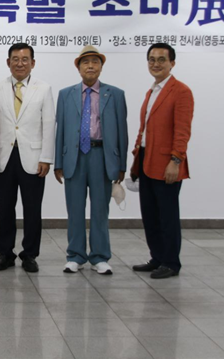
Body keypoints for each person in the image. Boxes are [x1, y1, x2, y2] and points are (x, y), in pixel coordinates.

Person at [54, 45, 128, 275]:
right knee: (75, 210)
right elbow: (60, 130)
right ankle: (75, 256)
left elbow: (122, 131)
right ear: (78, 68)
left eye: (95, 62)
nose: (90, 66)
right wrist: (58, 163)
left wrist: (122, 165)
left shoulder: (115, 94)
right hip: (74, 158)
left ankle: (99, 257)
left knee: (100, 210)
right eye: (85, 62)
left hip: (101, 156)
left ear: (101, 67)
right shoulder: (66, 94)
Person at [0, 43, 55, 273]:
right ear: (8, 62)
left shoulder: (43, 88)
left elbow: (49, 125)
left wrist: (46, 158)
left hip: (33, 157)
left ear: (33, 63)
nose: (20, 63)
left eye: (25, 59)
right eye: (15, 59)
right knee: (5, 207)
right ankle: (5, 254)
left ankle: (30, 254)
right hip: (4, 155)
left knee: (32, 208)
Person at [130, 43, 194, 279]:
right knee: (150, 215)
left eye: (161, 59)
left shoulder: (181, 91)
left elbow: (182, 131)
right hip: (146, 160)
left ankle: (170, 262)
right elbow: (144, 129)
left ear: (172, 63)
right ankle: (157, 258)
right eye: (152, 59)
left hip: (167, 164)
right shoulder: (152, 91)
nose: (155, 64)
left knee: (167, 216)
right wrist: (136, 159)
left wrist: (176, 160)